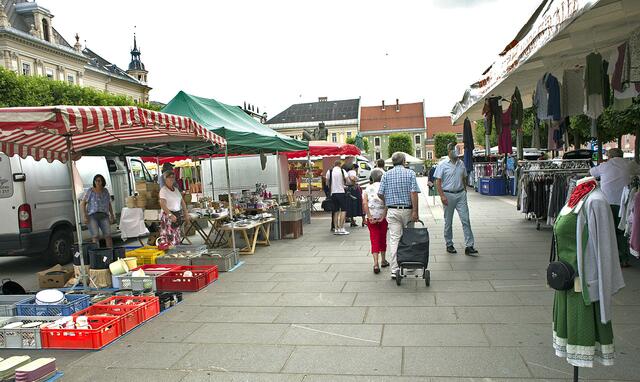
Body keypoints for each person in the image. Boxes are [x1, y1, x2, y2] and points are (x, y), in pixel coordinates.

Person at [590, 147, 640, 267]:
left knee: (608, 230)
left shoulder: (605, 166)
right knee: (622, 231)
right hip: (625, 203)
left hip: (607, 202)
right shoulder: (630, 164)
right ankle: (624, 257)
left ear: (609, 156)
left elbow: (592, 172)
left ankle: (611, 258)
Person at [378, 152, 421, 278]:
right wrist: (415, 211)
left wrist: (388, 201)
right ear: (404, 161)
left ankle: (395, 269)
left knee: (394, 239)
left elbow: (380, 193)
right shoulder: (410, 173)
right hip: (407, 210)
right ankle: (409, 265)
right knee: (408, 237)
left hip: (392, 210)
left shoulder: (386, 174)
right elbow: (414, 193)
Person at [435, 143, 478, 256]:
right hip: (448, 195)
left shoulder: (461, 163)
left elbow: (464, 177)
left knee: (466, 220)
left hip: (460, 194)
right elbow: (438, 181)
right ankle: (449, 243)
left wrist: (464, 190)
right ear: (449, 151)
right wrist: (442, 195)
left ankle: (469, 245)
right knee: (448, 221)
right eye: (454, 150)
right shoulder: (442, 164)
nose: (456, 152)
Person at [364, 169, 388, 273]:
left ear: (372, 178)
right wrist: (383, 215)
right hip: (382, 217)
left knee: (374, 239)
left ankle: (375, 264)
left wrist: (369, 216)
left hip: (371, 217)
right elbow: (387, 202)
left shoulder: (367, 188)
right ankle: (383, 260)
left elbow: (365, 203)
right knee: (383, 238)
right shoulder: (385, 188)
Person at [81, 174, 115, 248]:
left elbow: (109, 203)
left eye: (99, 181)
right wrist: (85, 215)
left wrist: (112, 215)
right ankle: (96, 254)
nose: (98, 182)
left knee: (108, 235)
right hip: (92, 216)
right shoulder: (90, 191)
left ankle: (110, 253)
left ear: (102, 182)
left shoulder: (105, 191)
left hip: (104, 215)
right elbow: (83, 203)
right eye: (96, 181)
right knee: (95, 235)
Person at [159, 171, 190, 246]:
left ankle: (176, 254)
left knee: (176, 237)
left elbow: (182, 202)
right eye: (169, 177)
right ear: (165, 179)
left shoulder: (176, 190)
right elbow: (162, 204)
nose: (172, 179)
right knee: (169, 238)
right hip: (168, 216)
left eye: (173, 177)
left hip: (177, 214)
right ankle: (169, 255)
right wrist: (170, 215)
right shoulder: (163, 190)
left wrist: (186, 214)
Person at [326, 160, 349, 235]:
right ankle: (342, 228)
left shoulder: (329, 171)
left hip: (333, 193)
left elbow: (327, 182)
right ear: (340, 164)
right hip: (341, 192)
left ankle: (336, 229)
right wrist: (344, 185)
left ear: (334, 164)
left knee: (335, 211)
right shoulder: (342, 171)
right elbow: (347, 181)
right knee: (343, 210)